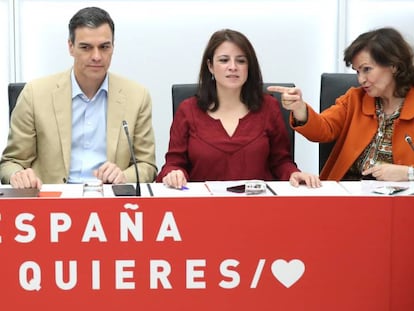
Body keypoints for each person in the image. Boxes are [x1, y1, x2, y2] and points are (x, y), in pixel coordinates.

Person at [0, 7, 157, 189]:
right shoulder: (35, 94)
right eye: (86, 47)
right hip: (52, 204)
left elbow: (147, 166)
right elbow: (10, 163)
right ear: (71, 47)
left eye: (104, 47)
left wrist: (123, 175)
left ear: (113, 47)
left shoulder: (137, 96)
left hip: (110, 201)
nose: (96, 56)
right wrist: (18, 175)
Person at [156, 29, 321, 189]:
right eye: (224, 60)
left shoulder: (269, 107)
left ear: (249, 66)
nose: (233, 67)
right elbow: (174, 163)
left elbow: (280, 162)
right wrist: (173, 174)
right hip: (202, 209)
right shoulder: (188, 110)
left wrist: (293, 173)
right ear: (210, 66)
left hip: (259, 208)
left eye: (241, 61)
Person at [269, 27, 414, 181]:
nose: (361, 80)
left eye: (367, 69)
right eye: (358, 71)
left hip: (401, 199)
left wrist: (408, 174)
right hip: (349, 191)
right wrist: (300, 108)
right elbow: (323, 129)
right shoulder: (355, 99)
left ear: (394, 65)